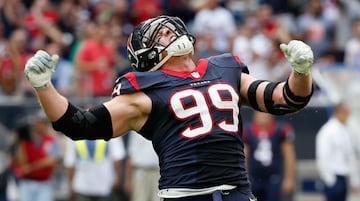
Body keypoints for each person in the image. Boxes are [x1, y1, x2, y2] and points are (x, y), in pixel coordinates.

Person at [23, 15, 314, 201]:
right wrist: (43, 86)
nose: (169, 31)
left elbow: (286, 99)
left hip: (237, 192)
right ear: (147, 55)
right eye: (160, 34)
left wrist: (300, 72)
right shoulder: (144, 91)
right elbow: (80, 125)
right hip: (185, 195)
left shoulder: (224, 68)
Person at [243, 111, 296, 201]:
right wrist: (244, 179)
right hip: (253, 178)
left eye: (265, 113)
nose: (263, 116)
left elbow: (289, 156)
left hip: (273, 178)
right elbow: (244, 157)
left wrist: (289, 178)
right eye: (260, 113)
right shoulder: (248, 131)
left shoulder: (280, 130)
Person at [315, 101, 360, 201]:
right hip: (333, 177)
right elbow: (322, 156)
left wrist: (354, 180)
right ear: (337, 112)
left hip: (344, 176)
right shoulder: (327, 131)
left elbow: (350, 156)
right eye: (345, 112)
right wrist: (329, 180)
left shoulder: (347, 130)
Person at [11, 110, 60, 201]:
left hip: (44, 182)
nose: (43, 125)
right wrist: (20, 141)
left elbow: (51, 161)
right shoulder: (26, 140)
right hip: (27, 182)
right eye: (40, 122)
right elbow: (22, 164)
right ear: (35, 123)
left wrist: (32, 167)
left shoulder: (51, 139)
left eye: (45, 123)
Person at [64, 137, 126, 201]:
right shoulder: (111, 128)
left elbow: (70, 163)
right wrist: (117, 178)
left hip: (82, 187)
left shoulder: (72, 130)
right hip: (104, 186)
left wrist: (70, 185)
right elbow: (118, 158)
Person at [125, 131, 160, 201]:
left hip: (159, 172)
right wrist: (128, 180)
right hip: (141, 170)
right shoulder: (136, 128)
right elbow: (131, 155)